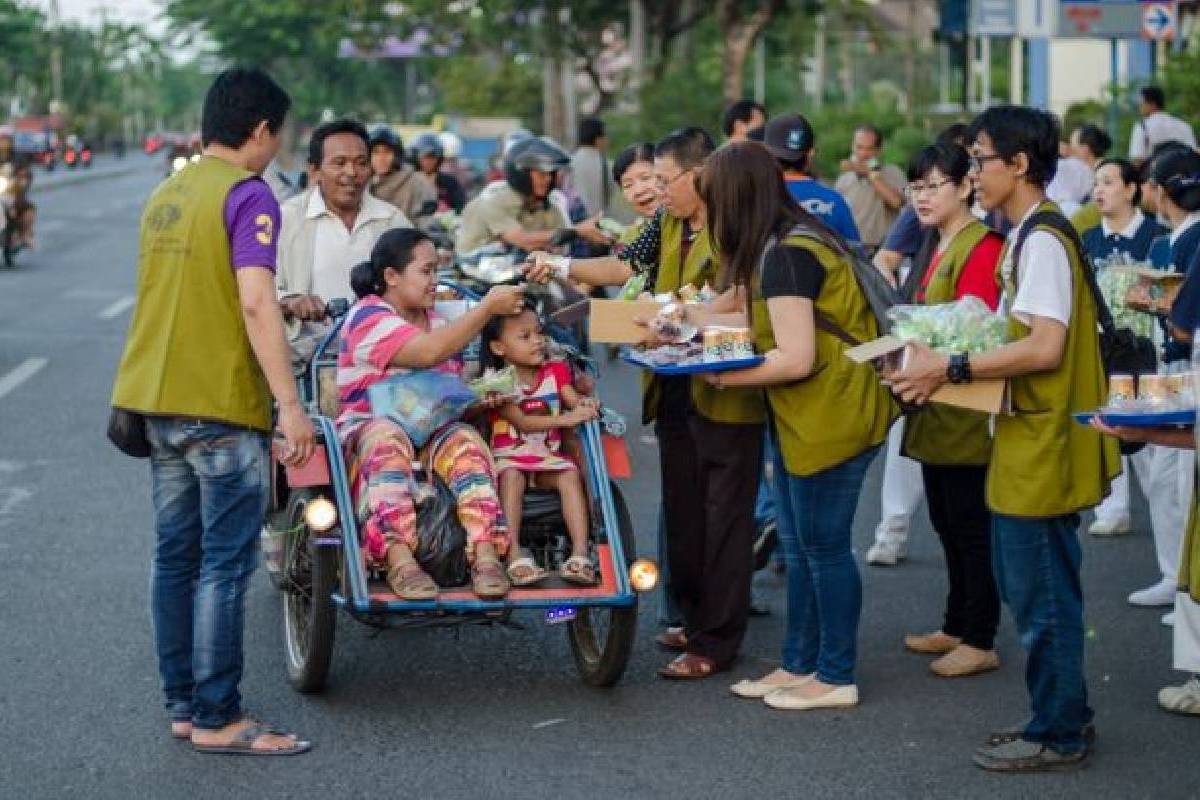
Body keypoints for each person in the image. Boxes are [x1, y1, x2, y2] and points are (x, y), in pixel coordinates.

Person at [891, 106, 1119, 771]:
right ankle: (1062, 716)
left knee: (1041, 596)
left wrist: (951, 366)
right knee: (1042, 593)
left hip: (1040, 440)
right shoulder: (1031, 233)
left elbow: (1044, 347)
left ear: (1019, 164)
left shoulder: (1041, 238)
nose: (972, 171)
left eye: (981, 159)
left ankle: (1058, 733)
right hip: (1030, 435)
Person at [110, 67, 314, 755]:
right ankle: (219, 716)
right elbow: (255, 301)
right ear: (260, 131)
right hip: (219, 408)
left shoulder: (167, 193)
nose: (276, 148)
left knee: (175, 558)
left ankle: (184, 705)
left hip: (155, 403)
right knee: (224, 566)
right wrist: (290, 406)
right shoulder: (248, 195)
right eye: (277, 136)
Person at [526, 128, 766, 679]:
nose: (655, 191)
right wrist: (561, 267)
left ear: (700, 173)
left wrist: (682, 318)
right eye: (649, 180)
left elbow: (740, 306)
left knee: (724, 516)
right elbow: (625, 267)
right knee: (683, 510)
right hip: (673, 381)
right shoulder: (669, 223)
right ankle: (690, 616)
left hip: (725, 384)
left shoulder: (734, 225)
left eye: (663, 179)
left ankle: (716, 641)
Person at [688, 142, 893, 709]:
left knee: (823, 548)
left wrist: (724, 377)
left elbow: (795, 356)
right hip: (814, 414)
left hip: (834, 414)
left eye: (713, 205)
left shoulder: (787, 255)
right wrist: (682, 320)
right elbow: (753, 318)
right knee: (803, 549)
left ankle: (834, 675)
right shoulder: (787, 243)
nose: (709, 219)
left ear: (736, 201)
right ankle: (800, 664)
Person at [337, 228, 526, 600]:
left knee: (466, 441)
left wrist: (478, 399)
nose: (434, 281)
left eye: (436, 270)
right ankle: (398, 560)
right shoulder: (368, 317)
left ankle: (486, 555)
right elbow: (426, 353)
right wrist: (487, 306)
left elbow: (443, 393)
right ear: (391, 276)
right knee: (387, 439)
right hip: (369, 430)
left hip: (431, 431)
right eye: (426, 271)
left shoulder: (438, 319)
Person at [895, 143, 1005, 677]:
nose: (922, 196)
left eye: (934, 185)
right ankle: (956, 623)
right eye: (916, 187)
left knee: (969, 525)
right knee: (944, 520)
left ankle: (980, 636)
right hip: (933, 403)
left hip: (964, 407)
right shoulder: (933, 242)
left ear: (965, 186)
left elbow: (974, 328)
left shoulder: (981, 246)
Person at [866, 123, 970, 567]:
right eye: (919, 186)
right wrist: (901, 314)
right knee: (906, 443)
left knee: (964, 509)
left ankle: (972, 626)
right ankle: (892, 530)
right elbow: (885, 260)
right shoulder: (924, 216)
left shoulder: (991, 227)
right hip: (919, 354)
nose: (923, 195)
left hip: (967, 369)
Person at [1118, 148, 1200, 621]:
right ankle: (1173, 576)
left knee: (1182, 479)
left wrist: (1152, 300)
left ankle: (1186, 586)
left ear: (1162, 191)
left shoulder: (1192, 238)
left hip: (1183, 366)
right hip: (1164, 364)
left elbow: (1183, 313)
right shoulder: (1168, 238)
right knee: (1163, 475)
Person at [480, 303, 600, 586]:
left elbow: (573, 400)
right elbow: (522, 422)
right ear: (499, 348)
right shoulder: (496, 384)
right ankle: (513, 556)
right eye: (525, 336)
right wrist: (568, 419)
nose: (537, 341)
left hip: (547, 457)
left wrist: (585, 404)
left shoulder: (555, 372)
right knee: (511, 478)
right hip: (510, 457)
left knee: (570, 475)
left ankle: (581, 554)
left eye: (539, 333)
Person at [1081, 158, 1169, 535]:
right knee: (1110, 421)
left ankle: (1168, 521)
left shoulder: (1155, 237)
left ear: (1132, 189)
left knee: (1151, 440)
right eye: (1095, 183)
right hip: (1107, 349)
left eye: (1108, 182)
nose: (1099, 190)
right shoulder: (1088, 240)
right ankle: (1112, 510)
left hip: (1150, 350)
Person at [276, 119, 411, 362]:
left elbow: (415, 283)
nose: (351, 173)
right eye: (339, 163)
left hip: (382, 357)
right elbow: (260, 288)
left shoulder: (392, 220)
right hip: (309, 360)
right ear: (314, 170)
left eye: (361, 163)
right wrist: (291, 301)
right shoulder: (287, 220)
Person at [456, 137, 606, 254]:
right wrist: (577, 231)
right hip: (475, 274)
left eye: (551, 174)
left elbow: (558, 245)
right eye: (541, 174)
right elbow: (522, 240)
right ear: (522, 174)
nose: (548, 179)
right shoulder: (495, 200)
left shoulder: (550, 206)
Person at [761, 113, 860, 243]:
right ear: (810, 154)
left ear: (765, 152)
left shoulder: (753, 197)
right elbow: (855, 254)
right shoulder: (834, 201)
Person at [835, 125, 906, 253]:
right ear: (852, 147)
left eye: (869, 149)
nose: (863, 154)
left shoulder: (892, 172)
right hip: (853, 250)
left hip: (883, 250)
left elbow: (896, 202)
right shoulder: (844, 180)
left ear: (879, 150)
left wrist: (870, 174)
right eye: (859, 147)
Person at [369, 127, 437, 224]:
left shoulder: (416, 181)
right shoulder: (365, 183)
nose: (381, 158)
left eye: (387, 152)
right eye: (376, 152)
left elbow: (426, 222)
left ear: (396, 154)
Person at [1129, 86, 1197, 165]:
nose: (1139, 106)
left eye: (1142, 103)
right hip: (1185, 174)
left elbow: (1138, 160)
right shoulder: (1184, 125)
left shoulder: (1143, 126)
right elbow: (1194, 154)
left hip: (1155, 175)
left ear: (1153, 104)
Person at [412, 133, 467, 213]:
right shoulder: (408, 182)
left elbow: (460, 208)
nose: (429, 161)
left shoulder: (450, 182)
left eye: (433, 157)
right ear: (416, 157)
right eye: (425, 156)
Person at [571, 117, 611, 219]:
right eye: (605, 136)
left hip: (576, 223)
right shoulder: (605, 163)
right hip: (599, 222)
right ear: (597, 140)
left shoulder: (570, 162)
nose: (607, 140)